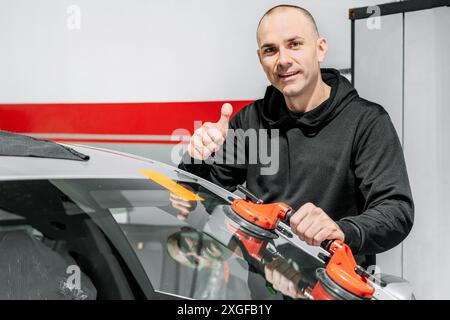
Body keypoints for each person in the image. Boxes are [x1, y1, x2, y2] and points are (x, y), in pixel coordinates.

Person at [178, 5, 414, 266]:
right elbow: (205, 197)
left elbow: (396, 212)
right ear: (261, 59)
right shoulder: (251, 120)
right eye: (270, 50)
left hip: (334, 289)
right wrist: (197, 157)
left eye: (295, 44)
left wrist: (342, 230)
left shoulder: (366, 122)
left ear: (320, 48)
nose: (283, 60)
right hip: (264, 290)